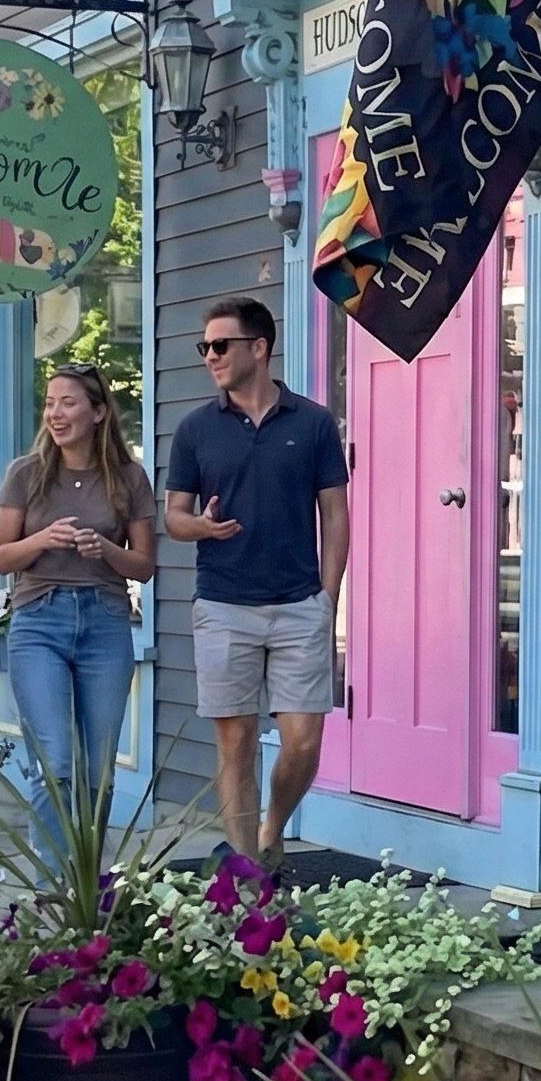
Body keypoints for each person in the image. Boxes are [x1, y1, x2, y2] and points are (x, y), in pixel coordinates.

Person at [165, 297, 348, 870]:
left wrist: (328, 597)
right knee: (236, 743)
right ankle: (245, 873)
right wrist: (202, 526)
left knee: (303, 743)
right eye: (205, 348)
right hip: (222, 603)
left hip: (299, 604)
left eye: (221, 345)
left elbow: (336, 516)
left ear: (259, 347)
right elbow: (173, 517)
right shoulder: (196, 429)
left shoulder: (314, 423)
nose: (211, 357)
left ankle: (273, 828)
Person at [0, 364, 157, 864]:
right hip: (39, 621)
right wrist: (43, 539)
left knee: (99, 770)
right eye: (49, 403)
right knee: (56, 764)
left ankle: (86, 875)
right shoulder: (26, 473)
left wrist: (105, 548)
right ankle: (51, 883)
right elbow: (1, 558)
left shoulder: (128, 477)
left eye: (68, 402)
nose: (55, 413)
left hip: (105, 621)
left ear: (99, 412)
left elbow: (145, 566)